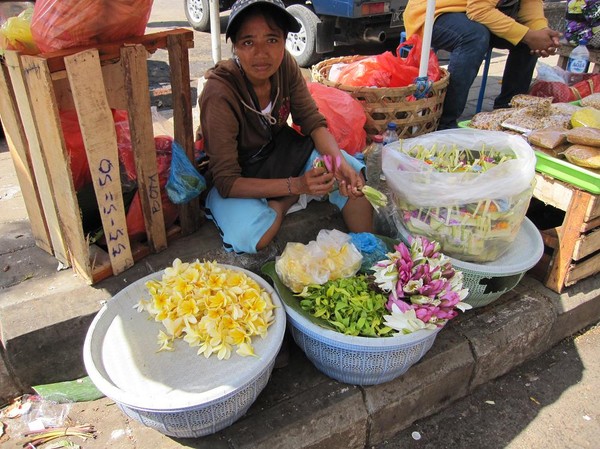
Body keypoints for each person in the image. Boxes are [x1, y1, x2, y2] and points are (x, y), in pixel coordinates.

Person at [198, 0, 373, 254]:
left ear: (284, 41)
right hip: (238, 174)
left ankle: (370, 256)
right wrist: (296, 187)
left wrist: (341, 165)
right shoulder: (220, 92)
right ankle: (282, 203)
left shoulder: (285, 66)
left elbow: (313, 123)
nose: (262, 53)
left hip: (280, 152)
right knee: (254, 234)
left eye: (272, 40)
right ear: (235, 46)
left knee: (353, 176)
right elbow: (227, 181)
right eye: (248, 42)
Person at [403, 0, 561, 129]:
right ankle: (444, 122)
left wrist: (541, 33)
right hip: (435, 12)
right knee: (474, 36)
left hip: (480, 16)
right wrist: (528, 35)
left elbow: (530, 4)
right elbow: (478, 9)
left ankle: (507, 114)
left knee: (526, 41)